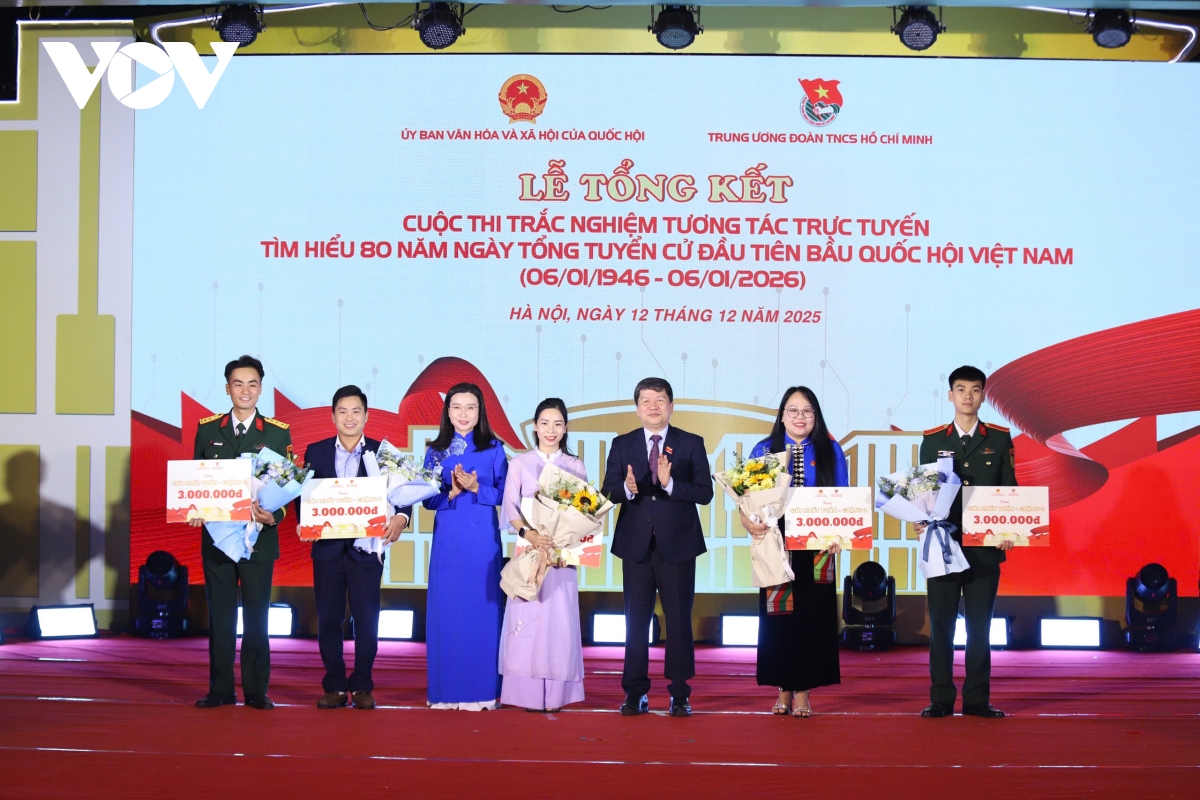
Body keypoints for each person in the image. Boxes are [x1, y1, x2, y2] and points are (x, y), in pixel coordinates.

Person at [602, 377, 713, 717]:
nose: (653, 406)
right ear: (637, 409)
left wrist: (671, 484)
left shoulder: (691, 443)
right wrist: (627, 488)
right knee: (635, 623)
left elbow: (704, 493)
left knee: (678, 622)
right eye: (646, 401)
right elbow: (608, 492)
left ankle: (680, 694)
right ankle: (635, 692)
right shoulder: (622, 444)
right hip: (636, 546)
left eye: (660, 400)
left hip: (678, 545)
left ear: (671, 406)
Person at [190, 355, 292, 710]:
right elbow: (196, 480)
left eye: (252, 384)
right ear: (227, 388)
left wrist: (274, 515)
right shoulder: (208, 430)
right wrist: (193, 508)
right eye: (238, 384)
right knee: (220, 617)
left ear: (261, 389)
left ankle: (255, 690)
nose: (245, 391)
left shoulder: (277, 432)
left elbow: (287, 487)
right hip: (218, 540)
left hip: (258, 539)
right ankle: (220, 688)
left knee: (256, 617)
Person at [740, 387, 848, 717]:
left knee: (814, 612)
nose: (800, 417)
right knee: (779, 612)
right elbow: (747, 500)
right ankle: (783, 687)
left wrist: (839, 534)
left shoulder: (830, 449)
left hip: (818, 538)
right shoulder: (764, 449)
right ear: (782, 415)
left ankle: (803, 690)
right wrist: (747, 521)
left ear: (816, 415)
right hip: (776, 537)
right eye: (793, 410)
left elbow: (842, 497)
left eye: (807, 411)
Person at [917, 365, 1017, 719]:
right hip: (942, 544)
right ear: (950, 395)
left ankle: (977, 699)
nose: (967, 396)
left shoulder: (1000, 439)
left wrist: (1010, 530)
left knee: (979, 628)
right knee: (941, 626)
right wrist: (918, 518)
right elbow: (923, 491)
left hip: (984, 548)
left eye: (975, 390)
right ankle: (941, 698)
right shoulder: (933, 440)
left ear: (983, 396)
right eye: (961, 389)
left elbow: (1009, 489)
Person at [303, 385, 411, 710]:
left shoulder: (382, 452)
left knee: (366, 621)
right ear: (333, 416)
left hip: (367, 550)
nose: (349, 418)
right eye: (342, 411)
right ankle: (335, 686)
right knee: (328, 620)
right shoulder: (316, 452)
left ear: (366, 416)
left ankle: (362, 685)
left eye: (355, 411)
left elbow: (406, 494)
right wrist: (303, 522)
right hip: (327, 550)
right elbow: (303, 494)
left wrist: (401, 518)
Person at [421, 382, 509, 710]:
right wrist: (452, 493)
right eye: (456, 407)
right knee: (446, 611)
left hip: (482, 539)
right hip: (448, 540)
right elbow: (426, 499)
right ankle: (444, 692)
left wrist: (475, 489)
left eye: (470, 407)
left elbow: (506, 495)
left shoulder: (494, 448)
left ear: (480, 411)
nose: (463, 413)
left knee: (482, 610)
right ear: (447, 411)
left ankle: (482, 692)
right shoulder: (435, 451)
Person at [499, 398, 587, 712]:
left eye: (558, 424)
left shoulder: (575, 465)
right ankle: (527, 694)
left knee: (558, 622)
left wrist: (565, 547)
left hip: (561, 557)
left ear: (565, 429)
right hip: (529, 552)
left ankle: (558, 696)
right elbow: (510, 509)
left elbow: (585, 513)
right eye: (545, 423)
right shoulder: (520, 463)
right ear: (535, 426)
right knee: (528, 619)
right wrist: (530, 535)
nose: (551, 430)